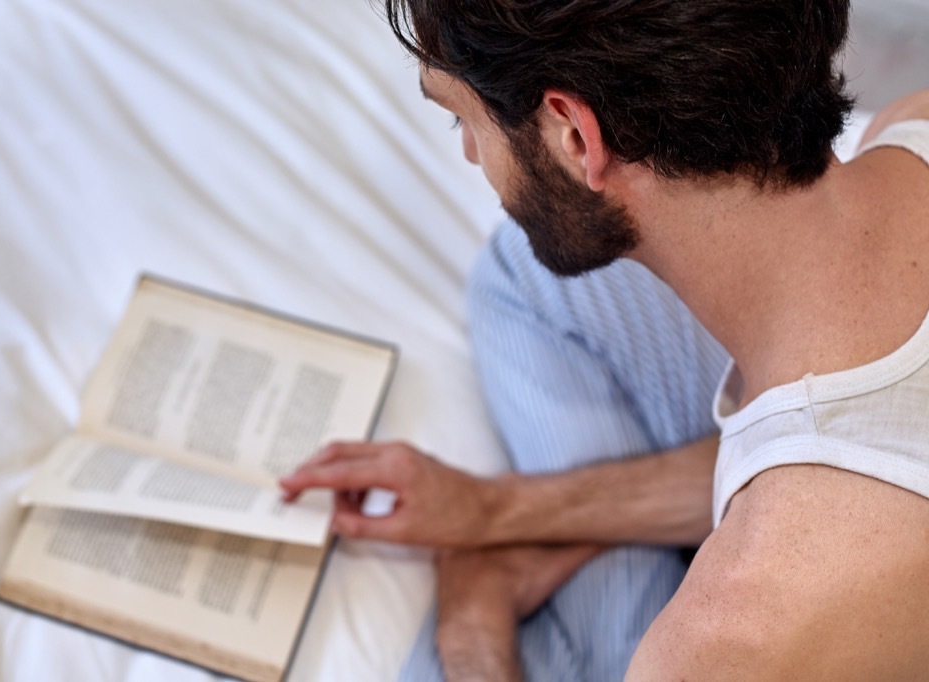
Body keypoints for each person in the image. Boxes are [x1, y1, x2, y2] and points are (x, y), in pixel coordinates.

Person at [280, 0, 929, 678]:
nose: (470, 152)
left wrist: (472, 634)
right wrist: (498, 511)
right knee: (525, 276)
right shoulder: (917, 121)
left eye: (460, 118)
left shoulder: (730, 641)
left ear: (573, 134)